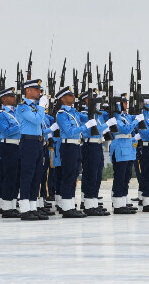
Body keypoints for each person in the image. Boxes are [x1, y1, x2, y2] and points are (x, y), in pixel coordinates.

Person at [15, 79, 50, 220]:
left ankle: (33, 207)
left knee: (37, 175)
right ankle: (24, 209)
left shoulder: (36, 107)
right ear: (28, 90)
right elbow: (36, 120)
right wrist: (42, 106)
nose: (39, 92)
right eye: (36, 89)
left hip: (38, 142)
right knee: (27, 175)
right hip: (28, 141)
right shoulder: (22, 107)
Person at [54, 86, 87, 218]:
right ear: (63, 98)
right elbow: (69, 131)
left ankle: (71, 205)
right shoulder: (62, 114)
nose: (73, 97)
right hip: (68, 147)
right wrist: (85, 127)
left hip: (76, 147)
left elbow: (85, 116)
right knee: (68, 176)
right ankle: (67, 208)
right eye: (70, 95)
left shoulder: (74, 112)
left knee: (73, 176)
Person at [0, 86, 22, 218]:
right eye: (11, 96)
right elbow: (7, 131)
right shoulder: (0, 115)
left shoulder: (17, 112)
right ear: (4, 99)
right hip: (9, 147)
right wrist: (22, 124)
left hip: (20, 147)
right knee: (9, 177)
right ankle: (6, 207)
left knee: (16, 178)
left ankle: (12, 205)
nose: (14, 98)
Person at [108, 91, 138, 214]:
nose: (126, 104)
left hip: (129, 149)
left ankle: (123, 201)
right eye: (124, 102)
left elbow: (139, 117)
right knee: (119, 178)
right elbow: (125, 129)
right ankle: (117, 204)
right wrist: (136, 121)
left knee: (126, 177)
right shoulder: (115, 118)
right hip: (120, 149)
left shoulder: (124, 117)